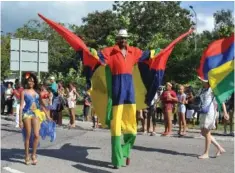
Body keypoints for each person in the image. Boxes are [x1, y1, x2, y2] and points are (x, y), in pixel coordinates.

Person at [39, 14, 193, 169]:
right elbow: (95, 55)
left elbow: (151, 54)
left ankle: (125, 152)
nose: (123, 41)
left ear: (128, 40)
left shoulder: (134, 52)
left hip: (130, 95)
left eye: (125, 38)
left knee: (132, 130)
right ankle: (116, 160)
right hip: (117, 95)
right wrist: (89, 50)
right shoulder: (110, 52)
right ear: (117, 39)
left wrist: (165, 48)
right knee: (116, 129)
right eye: (120, 38)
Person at [19, 72, 52, 165]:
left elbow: (41, 104)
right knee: (28, 136)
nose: (31, 83)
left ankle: (33, 154)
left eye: (33, 81)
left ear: (34, 82)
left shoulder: (37, 92)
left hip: (36, 113)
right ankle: (26, 156)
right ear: (27, 81)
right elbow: (21, 106)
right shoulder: (23, 92)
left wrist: (48, 115)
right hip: (26, 114)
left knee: (37, 135)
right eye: (29, 81)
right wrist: (20, 119)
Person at [197, 78, 227, 159]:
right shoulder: (202, 89)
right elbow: (198, 99)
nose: (201, 81)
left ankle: (206, 153)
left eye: (202, 80)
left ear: (207, 81)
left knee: (206, 132)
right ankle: (220, 148)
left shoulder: (213, 89)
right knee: (203, 132)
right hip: (203, 111)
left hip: (209, 112)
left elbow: (221, 100)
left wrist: (225, 112)